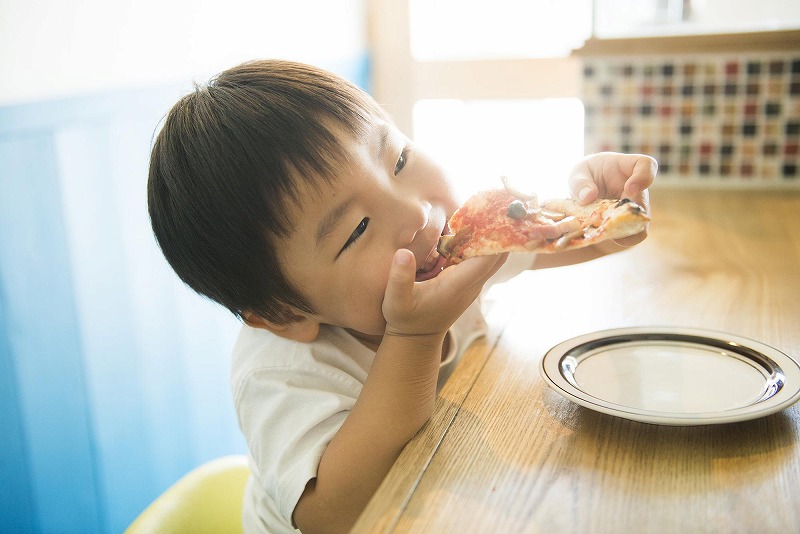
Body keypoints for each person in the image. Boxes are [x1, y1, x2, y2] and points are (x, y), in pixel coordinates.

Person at [147, 59, 656, 533]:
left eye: (399, 159)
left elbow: (558, 240)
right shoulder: (279, 374)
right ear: (284, 314)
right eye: (356, 229)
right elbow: (338, 516)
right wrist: (417, 335)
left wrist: (606, 211)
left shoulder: (444, 251)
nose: (414, 212)